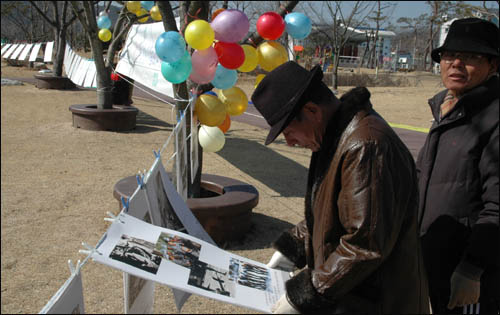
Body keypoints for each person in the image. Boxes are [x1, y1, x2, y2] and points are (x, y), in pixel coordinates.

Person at [251, 61, 429, 314]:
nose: (289, 142)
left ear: (312, 110)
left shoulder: (365, 145)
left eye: (289, 131)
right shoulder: (336, 136)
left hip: (377, 303)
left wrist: (307, 293)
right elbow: (330, 210)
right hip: (355, 297)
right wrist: (293, 248)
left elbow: (364, 243)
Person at [416, 18, 499, 314]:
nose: (456, 64)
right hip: (432, 261)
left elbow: (497, 206)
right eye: (449, 55)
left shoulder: (493, 118)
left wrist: (472, 269)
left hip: (469, 272)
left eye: (471, 57)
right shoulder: (447, 108)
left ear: (493, 65)